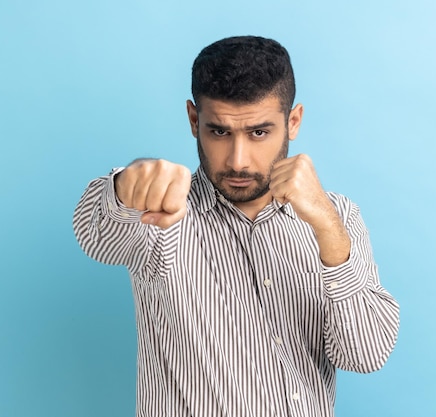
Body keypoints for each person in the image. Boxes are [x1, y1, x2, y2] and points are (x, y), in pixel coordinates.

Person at [73, 35, 399, 417]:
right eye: (220, 132)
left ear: (292, 122)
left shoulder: (338, 217)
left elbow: (366, 354)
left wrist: (327, 228)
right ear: (194, 120)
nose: (238, 161)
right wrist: (124, 190)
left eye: (258, 132)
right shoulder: (164, 216)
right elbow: (98, 235)